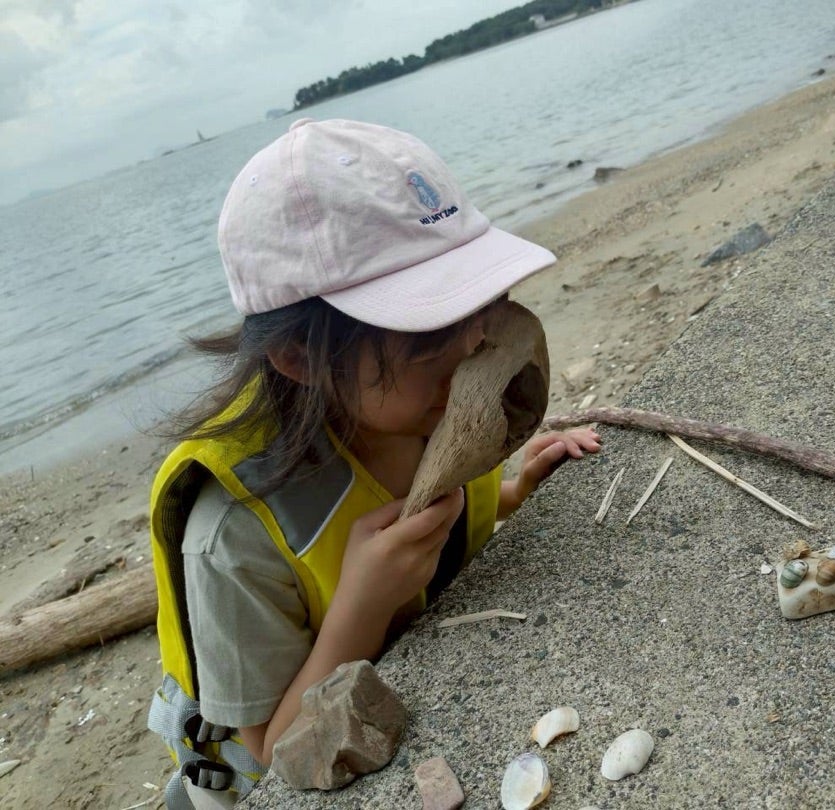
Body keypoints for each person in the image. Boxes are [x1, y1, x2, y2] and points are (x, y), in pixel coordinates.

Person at [146, 118, 600, 808]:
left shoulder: (428, 407)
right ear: (299, 357)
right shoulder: (235, 536)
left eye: (482, 306)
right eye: (432, 334)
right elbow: (274, 748)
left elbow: (446, 517)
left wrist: (513, 491)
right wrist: (364, 602)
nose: (475, 348)